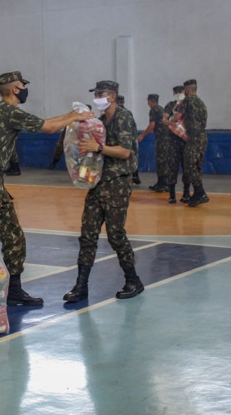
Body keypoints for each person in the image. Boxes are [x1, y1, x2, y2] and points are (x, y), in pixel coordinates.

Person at [0, 71, 92, 306]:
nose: (25, 88)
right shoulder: (7, 111)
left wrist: (74, 115)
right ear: (16, 88)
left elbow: (46, 122)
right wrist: (75, 117)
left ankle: (14, 290)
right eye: (23, 85)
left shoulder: (4, 111)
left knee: (14, 237)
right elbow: (48, 127)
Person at [63, 80, 143, 303]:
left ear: (112, 96)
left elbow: (125, 152)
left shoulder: (123, 117)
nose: (97, 97)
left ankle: (133, 280)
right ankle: (81, 286)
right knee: (87, 234)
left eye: (100, 94)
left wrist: (97, 147)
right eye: (96, 93)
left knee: (116, 234)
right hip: (98, 182)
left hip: (117, 183)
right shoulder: (99, 121)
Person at [178, 79, 209, 207]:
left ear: (188, 90)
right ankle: (198, 193)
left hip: (193, 137)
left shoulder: (187, 101)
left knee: (189, 164)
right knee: (196, 165)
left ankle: (200, 192)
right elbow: (204, 122)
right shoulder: (202, 104)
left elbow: (177, 116)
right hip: (202, 136)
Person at [162, 85, 188, 204]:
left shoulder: (187, 104)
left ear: (184, 91)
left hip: (185, 141)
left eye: (180, 91)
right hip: (172, 141)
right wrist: (169, 122)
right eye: (176, 92)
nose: (178, 93)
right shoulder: (169, 105)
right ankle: (172, 195)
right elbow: (164, 119)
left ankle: (186, 193)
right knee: (172, 168)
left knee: (187, 167)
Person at [138, 94, 168, 192]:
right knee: (162, 160)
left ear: (150, 101)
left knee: (161, 160)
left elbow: (152, 125)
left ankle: (163, 183)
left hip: (162, 139)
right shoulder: (161, 109)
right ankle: (161, 182)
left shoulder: (154, 110)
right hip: (166, 138)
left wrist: (142, 135)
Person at [117, 95, 141, 185]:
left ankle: (129, 177)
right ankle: (135, 176)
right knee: (133, 158)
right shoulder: (128, 112)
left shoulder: (119, 113)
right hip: (132, 139)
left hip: (123, 141)